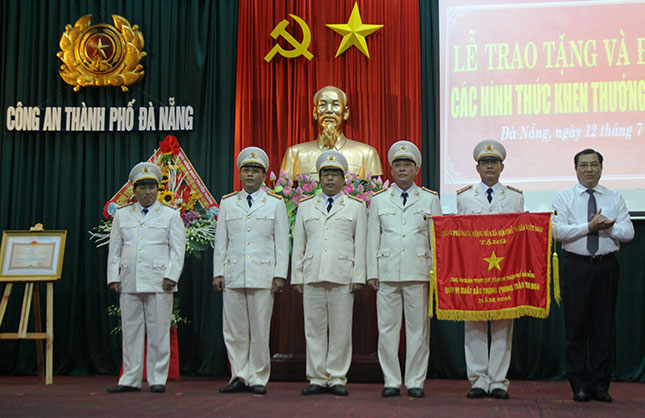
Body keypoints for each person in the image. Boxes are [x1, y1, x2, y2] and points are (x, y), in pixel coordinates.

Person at [552, 148, 634, 403]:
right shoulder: (563, 197)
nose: (589, 170)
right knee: (576, 328)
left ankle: (600, 385)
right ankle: (579, 385)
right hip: (576, 266)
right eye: (584, 165)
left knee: (603, 328)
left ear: (601, 168)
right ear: (575, 169)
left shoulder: (614, 197)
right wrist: (588, 227)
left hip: (606, 267)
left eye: (594, 165)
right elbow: (558, 232)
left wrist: (608, 228)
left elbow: (628, 232)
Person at [366, 140, 442, 398]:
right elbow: (371, 239)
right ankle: (390, 380)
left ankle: (415, 381)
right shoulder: (378, 200)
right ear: (391, 169)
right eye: (397, 164)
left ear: (416, 169)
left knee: (418, 330)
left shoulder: (430, 199)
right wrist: (371, 272)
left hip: (419, 272)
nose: (402, 169)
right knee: (386, 329)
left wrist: (435, 272)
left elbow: (435, 239)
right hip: (386, 272)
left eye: (407, 164)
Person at [212, 147, 290, 395]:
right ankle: (239, 375)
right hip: (234, 273)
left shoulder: (275, 203)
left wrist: (279, 274)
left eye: (255, 171)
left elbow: (281, 241)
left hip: (262, 274)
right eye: (246, 170)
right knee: (234, 331)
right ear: (240, 173)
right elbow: (221, 241)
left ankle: (258, 377)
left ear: (264, 175)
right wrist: (218, 271)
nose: (250, 175)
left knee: (259, 329)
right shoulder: (228, 202)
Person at [291, 150, 367, 396]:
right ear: (319, 178)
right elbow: (299, 245)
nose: (331, 179)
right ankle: (316, 377)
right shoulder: (305, 206)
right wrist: (297, 276)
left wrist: (358, 277)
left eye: (335, 174)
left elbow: (361, 244)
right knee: (313, 329)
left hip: (342, 274)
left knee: (341, 329)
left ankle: (336, 377)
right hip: (313, 274)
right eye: (326, 174)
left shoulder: (355, 207)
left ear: (344, 179)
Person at [107, 162, 186, 394]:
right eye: (142, 187)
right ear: (134, 190)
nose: (147, 191)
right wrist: (113, 276)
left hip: (159, 280)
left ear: (158, 189)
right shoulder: (122, 215)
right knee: (130, 331)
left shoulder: (171, 215)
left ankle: (157, 377)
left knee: (159, 330)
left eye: (151, 186)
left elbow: (177, 249)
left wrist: (172, 274)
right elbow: (115, 249)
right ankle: (130, 378)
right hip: (130, 279)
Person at [456, 139, 524, 400]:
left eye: (494, 162)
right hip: (473, 272)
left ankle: (498, 381)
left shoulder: (516, 197)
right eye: (484, 163)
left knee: (502, 327)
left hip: (504, 272)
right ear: (477, 168)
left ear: (502, 166)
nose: (489, 167)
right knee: (473, 326)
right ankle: (478, 380)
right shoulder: (464, 197)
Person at [280, 85, 383, 180]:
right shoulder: (294, 154)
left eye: (335, 105)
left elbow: (373, 194)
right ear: (315, 113)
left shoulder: (366, 154)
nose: (329, 110)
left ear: (345, 113)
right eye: (323, 105)